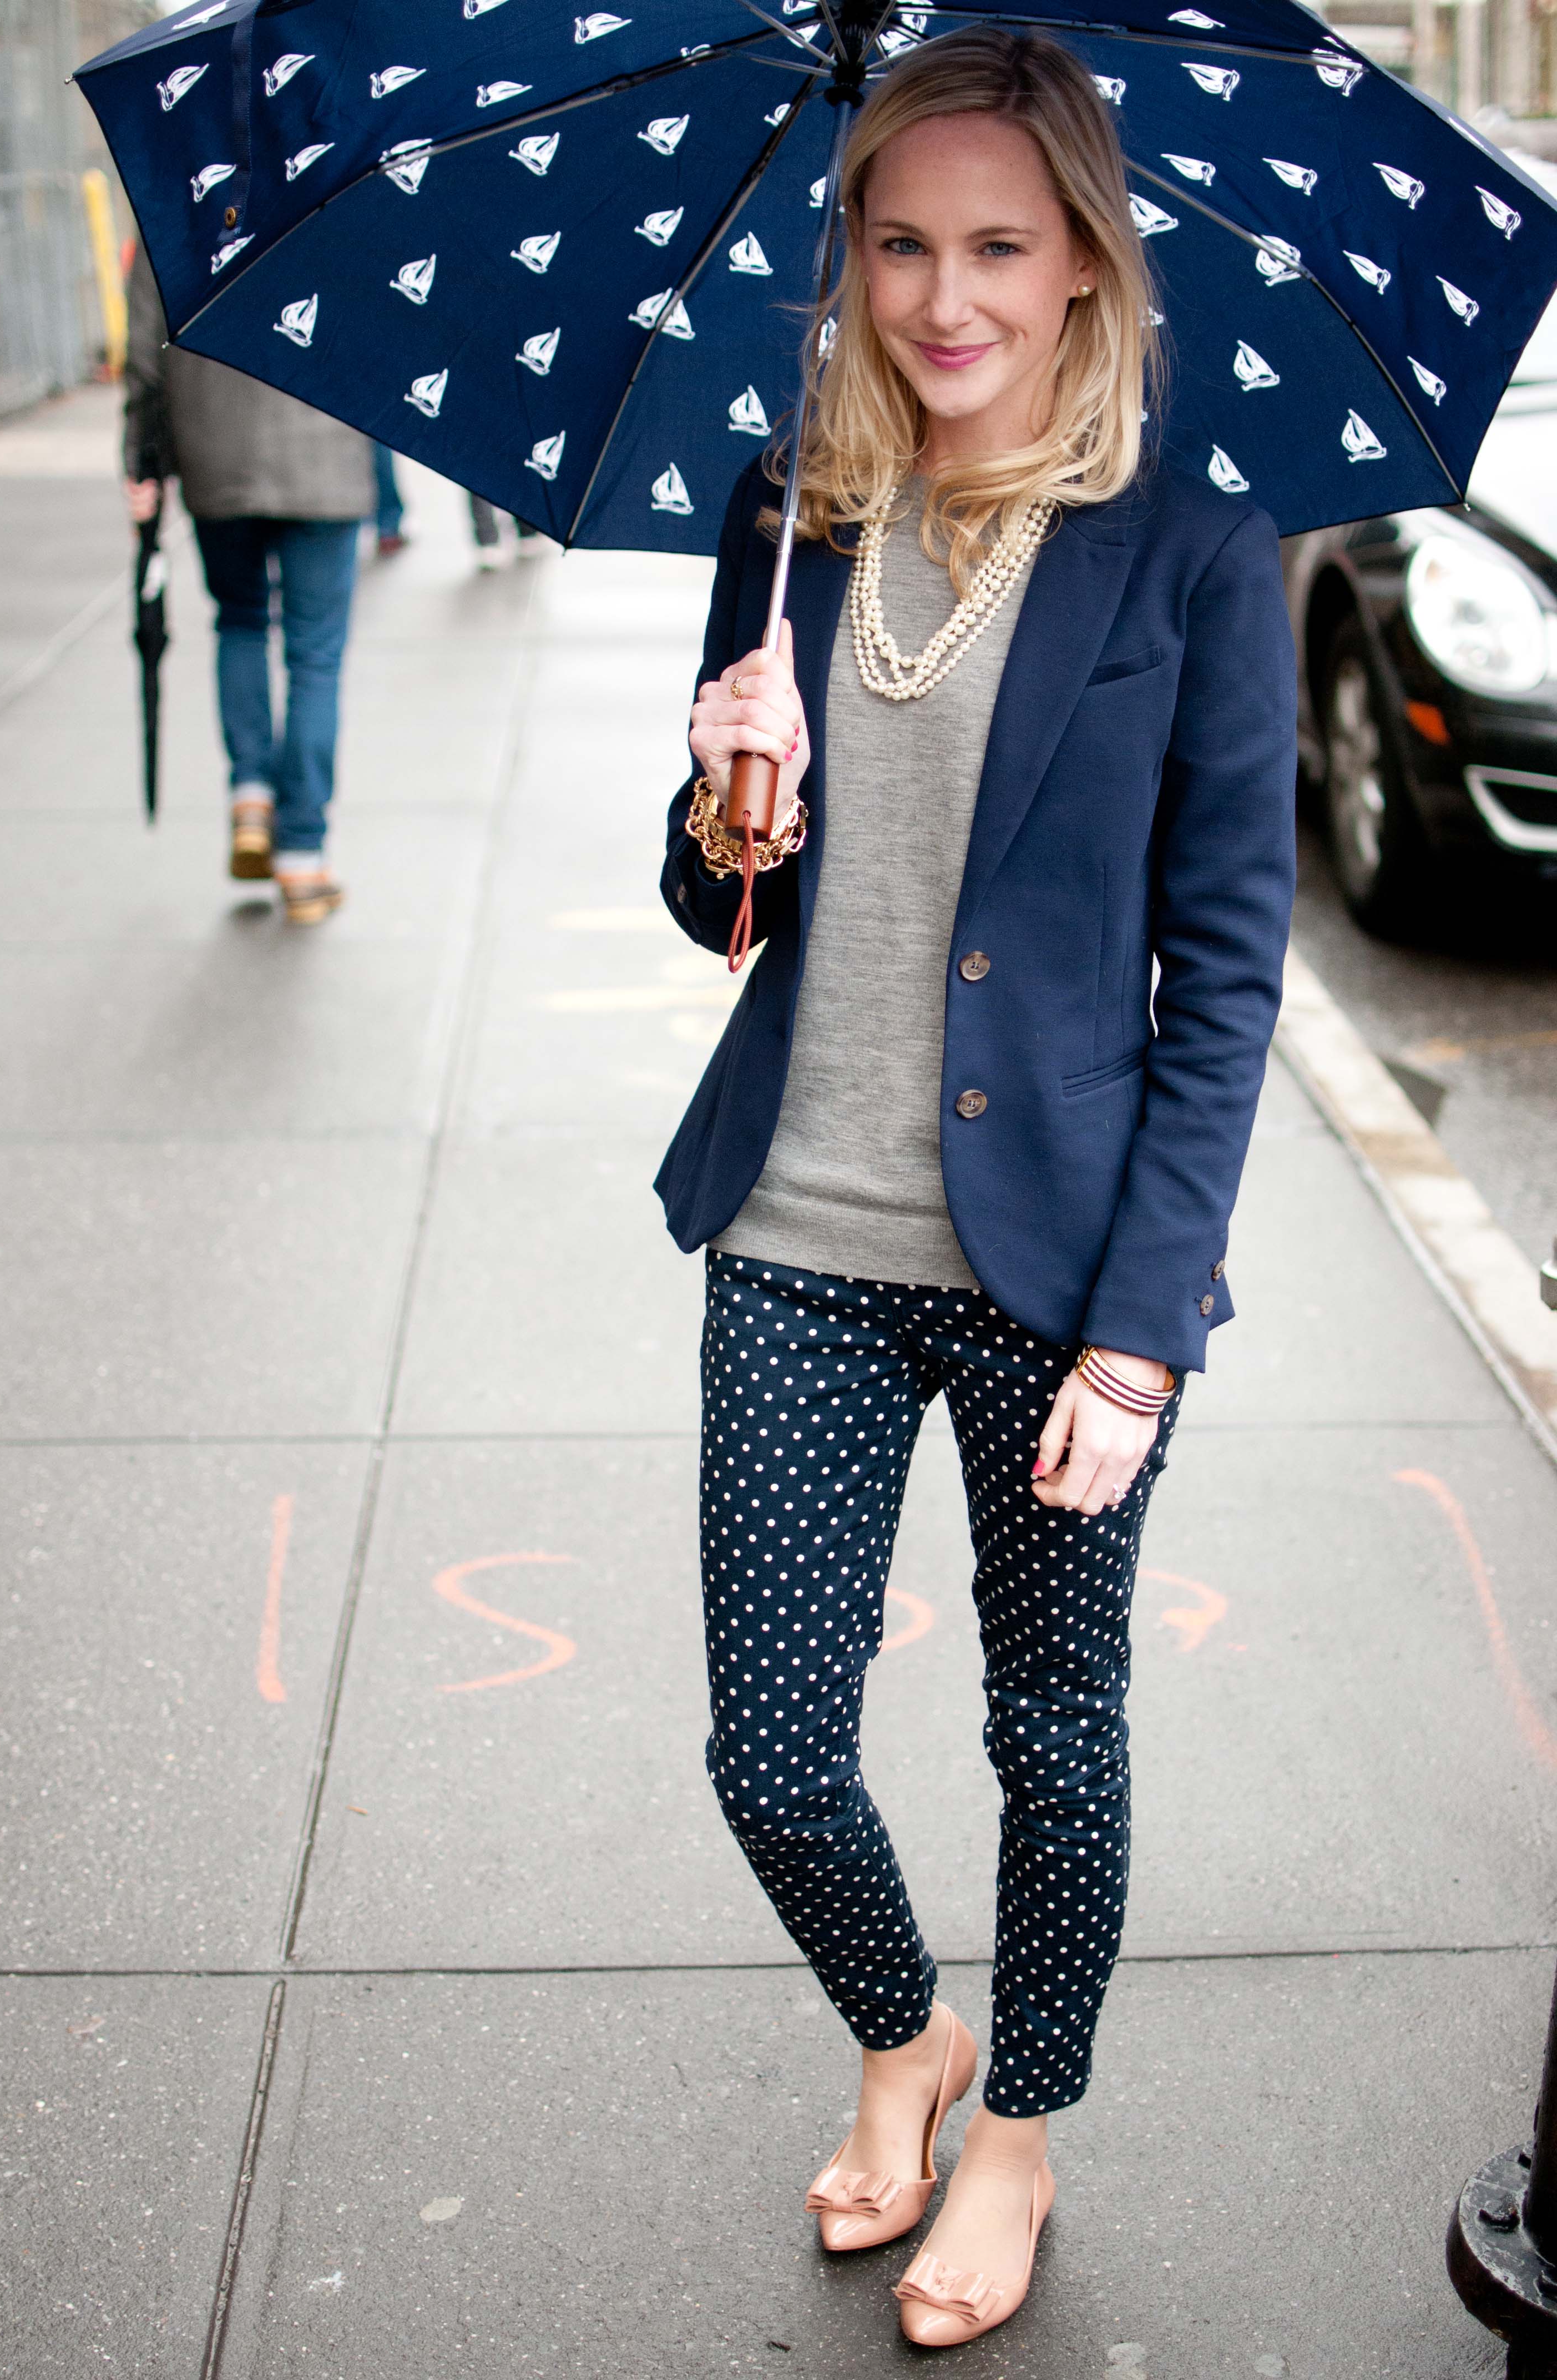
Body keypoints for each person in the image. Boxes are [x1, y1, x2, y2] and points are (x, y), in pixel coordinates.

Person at [658, 27, 1296, 2352]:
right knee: (769, 1744)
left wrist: (1146, 1327)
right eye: (901, 239)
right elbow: (720, 894)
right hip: (800, 1232)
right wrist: (730, 814)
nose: (944, 295)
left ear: (1084, 271)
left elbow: (1225, 975)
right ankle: (899, 2031)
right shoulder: (789, 513)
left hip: (1063, 1270)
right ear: (853, 251)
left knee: (1056, 1728)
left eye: (997, 246)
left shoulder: (1196, 551)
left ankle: (1010, 2127)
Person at [122, 245, 372, 923]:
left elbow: (146, 356)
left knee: (239, 620)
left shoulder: (177, 200)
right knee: (314, 655)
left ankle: (252, 794)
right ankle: (302, 855)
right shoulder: (343, 184)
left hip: (216, 455)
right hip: (328, 457)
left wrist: (142, 462)